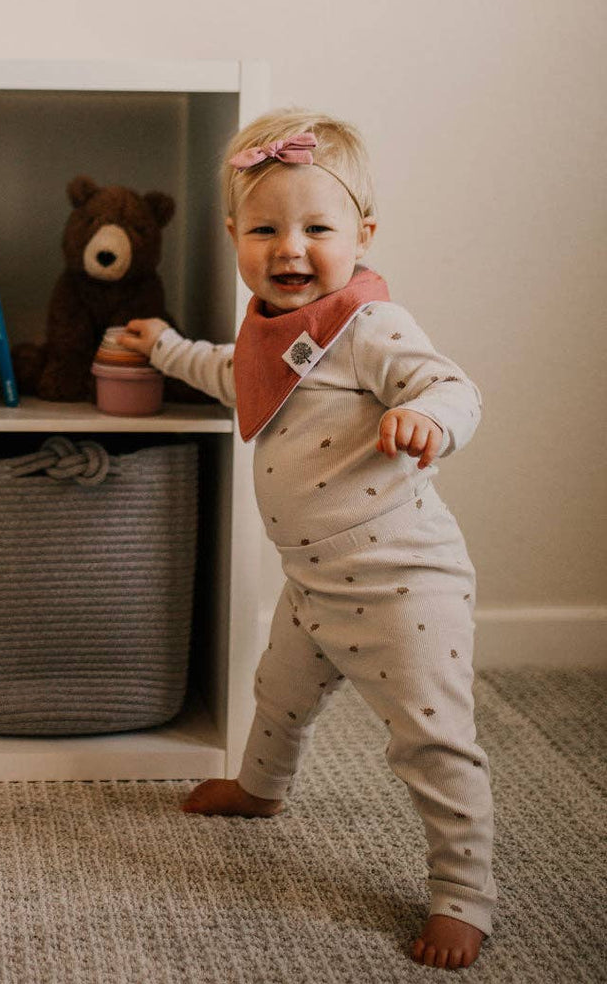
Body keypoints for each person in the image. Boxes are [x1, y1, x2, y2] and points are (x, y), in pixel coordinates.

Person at [120, 110, 494, 971]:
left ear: (363, 235)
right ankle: (262, 789)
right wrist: (166, 347)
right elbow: (232, 374)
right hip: (315, 580)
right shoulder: (272, 329)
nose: (290, 249)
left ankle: (465, 893)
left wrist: (427, 418)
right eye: (265, 230)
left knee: (431, 739)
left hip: (402, 581)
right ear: (233, 236)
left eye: (317, 230)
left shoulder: (370, 325)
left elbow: (454, 388)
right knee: (279, 694)